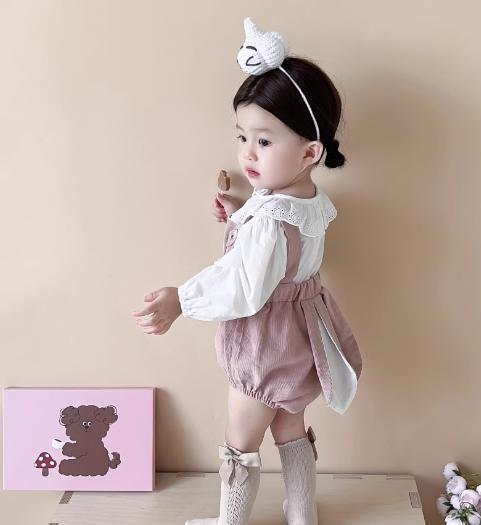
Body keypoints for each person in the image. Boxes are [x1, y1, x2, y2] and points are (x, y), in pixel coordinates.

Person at [132, 17, 363, 525]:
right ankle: (302, 514)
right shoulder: (310, 201)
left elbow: (244, 285)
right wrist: (242, 210)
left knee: (240, 440)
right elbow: (287, 251)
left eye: (264, 142)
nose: (247, 154)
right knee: (291, 429)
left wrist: (181, 299)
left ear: (309, 152)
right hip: (302, 337)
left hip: (265, 344)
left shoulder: (268, 221)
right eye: (242, 137)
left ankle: (231, 521)